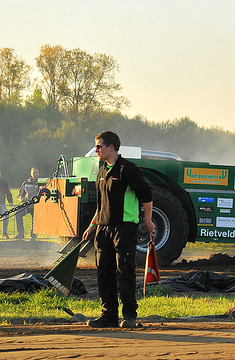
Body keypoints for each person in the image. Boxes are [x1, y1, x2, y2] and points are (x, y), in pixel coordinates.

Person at [82, 131, 155, 328]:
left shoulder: (127, 169)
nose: (96, 150)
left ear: (111, 147)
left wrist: (147, 221)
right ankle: (108, 316)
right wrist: (92, 226)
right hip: (103, 230)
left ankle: (129, 316)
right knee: (104, 273)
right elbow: (101, 205)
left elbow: (146, 194)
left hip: (125, 229)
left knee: (125, 272)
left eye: (99, 146)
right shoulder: (102, 171)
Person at [15, 167, 40, 239]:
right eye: (34, 172)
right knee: (18, 213)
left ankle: (33, 236)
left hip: (36, 206)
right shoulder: (26, 182)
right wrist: (24, 200)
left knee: (34, 222)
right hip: (26, 205)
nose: (35, 174)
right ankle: (21, 233)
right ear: (31, 174)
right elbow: (19, 195)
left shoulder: (42, 183)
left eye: (36, 172)